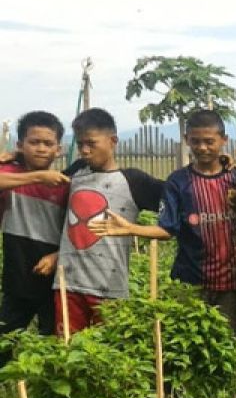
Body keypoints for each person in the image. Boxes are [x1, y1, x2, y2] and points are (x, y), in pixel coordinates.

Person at [89, 110, 236, 331]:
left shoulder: (235, 177)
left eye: (209, 141)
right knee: (188, 341)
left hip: (230, 282)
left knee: (228, 344)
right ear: (187, 140)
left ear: (223, 140)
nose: (202, 147)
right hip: (190, 280)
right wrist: (131, 228)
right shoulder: (178, 182)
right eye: (195, 141)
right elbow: (167, 229)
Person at [53, 109, 164, 335]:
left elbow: (180, 201)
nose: (84, 150)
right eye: (81, 143)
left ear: (113, 141)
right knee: (67, 354)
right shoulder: (74, 174)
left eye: (91, 143)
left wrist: (225, 170)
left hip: (109, 287)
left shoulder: (134, 181)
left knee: (108, 356)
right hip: (67, 284)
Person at [0, 112, 71, 339]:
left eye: (48, 143)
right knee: (6, 339)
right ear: (20, 145)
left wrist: (57, 255)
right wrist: (39, 177)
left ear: (58, 149)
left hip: (56, 277)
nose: (41, 148)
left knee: (52, 341)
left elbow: (76, 231)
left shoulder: (65, 183)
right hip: (17, 274)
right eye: (34, 142)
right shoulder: (9, 171)